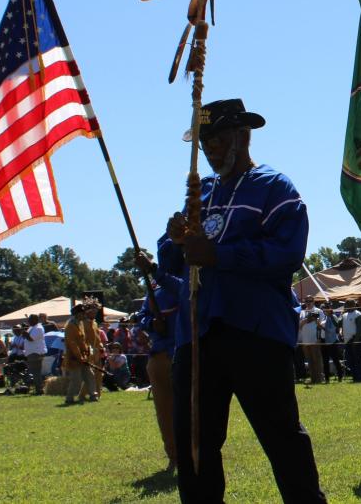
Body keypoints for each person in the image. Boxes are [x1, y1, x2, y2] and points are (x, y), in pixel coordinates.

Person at [157, 98, 325, 502]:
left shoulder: (275, 188)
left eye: (215, 138)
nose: (209, 148)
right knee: (195, 444)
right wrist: (174, 240)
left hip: (255, 331)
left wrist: (220, 255)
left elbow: (286, 254)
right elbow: (176, 265)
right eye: (203, 142)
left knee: (281, 436)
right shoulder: (201, 192)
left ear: (242, 135)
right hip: (197, 335)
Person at [137, 273, 180, 471]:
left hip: (181, 352)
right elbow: (142, 317)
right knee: (165, 411)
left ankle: (188, 455)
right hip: (164, 353)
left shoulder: (186, 281)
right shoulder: (156, 289)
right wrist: (152, 324)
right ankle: (174, 455)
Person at [64, 304, 96, 404]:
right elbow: (72, 343)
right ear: (77, 314)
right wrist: (80, 356)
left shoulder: (80, 324)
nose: (84, 315)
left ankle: (93, 395)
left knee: (90, 375)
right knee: (76, 379)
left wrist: (86, 354)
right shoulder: (70, 326)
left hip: (84, 356)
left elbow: (83, 341)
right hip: (74, 357)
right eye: (82, 313)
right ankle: (69, 398)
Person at [298, 296, 325, 384]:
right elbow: (299, 326)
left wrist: (316, 321)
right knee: (309, 360)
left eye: (310, 301)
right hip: (305, 340)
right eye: (306, 301)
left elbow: (322, 325)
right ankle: (313, 379)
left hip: (315, 339)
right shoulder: (302, 312)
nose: (308, 302)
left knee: (316, 359)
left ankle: (320, 379)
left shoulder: (318, 311)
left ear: (313, 301)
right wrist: (305, 321)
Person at [22, 314, 47, 395]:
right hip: (31, 352)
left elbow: (31, 339)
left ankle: (39, 389)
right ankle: (38, 388)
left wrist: (25, 334)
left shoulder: (38, 328)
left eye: (30, 319)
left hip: (36, 352)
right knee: (35, 371)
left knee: (36, 372)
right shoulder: (32, 328)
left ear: (35, 320)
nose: (28, 321)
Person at [342, 300, 361, 383]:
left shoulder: (358, 314)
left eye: (347, 304)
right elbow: (338, 324)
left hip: (355, 339)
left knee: (357, 359)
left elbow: (359, 330)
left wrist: (356, 341)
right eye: (346, 304)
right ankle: (355, 377)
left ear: (353, 305)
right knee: (350, 360)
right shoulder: (344, 315)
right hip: (347, 340)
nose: (346, 306)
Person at [319, 302, 343, 383]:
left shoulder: (333, 317)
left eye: (326, 308)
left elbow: (332, 330)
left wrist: (321, 327)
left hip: (332, 341)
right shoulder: (324, 318)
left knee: (336, 360)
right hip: (324, 341)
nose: (324, 310)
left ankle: (340, 376)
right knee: (325, 361)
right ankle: (327, 379)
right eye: (323, 308)